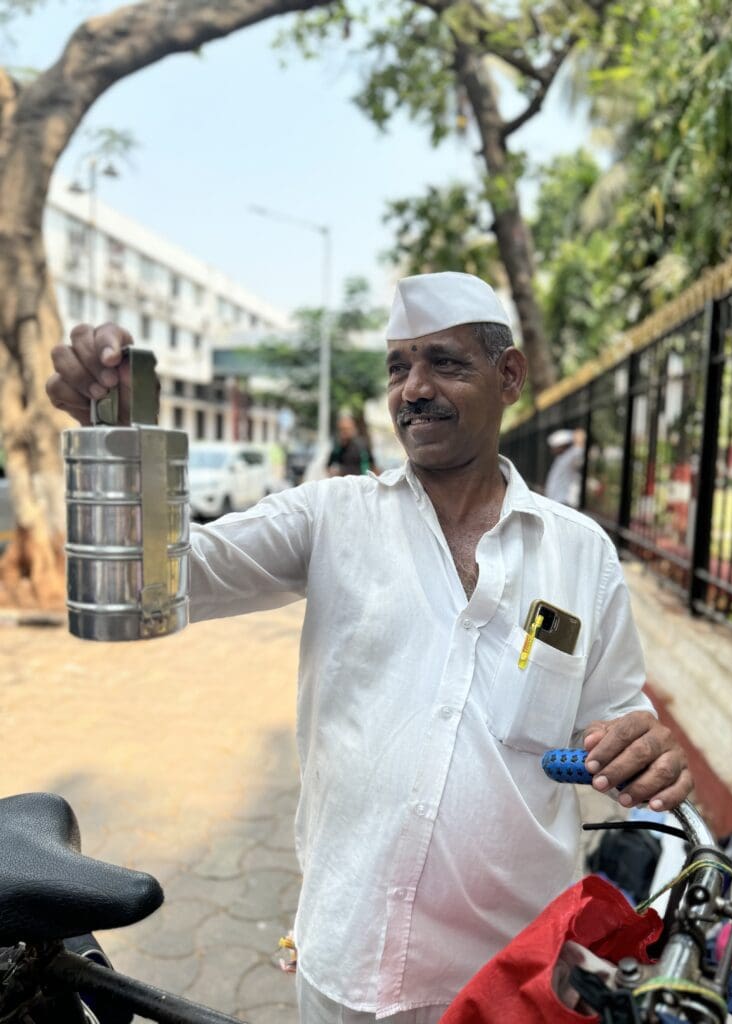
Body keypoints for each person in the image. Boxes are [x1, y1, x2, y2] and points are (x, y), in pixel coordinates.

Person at [46, 271, 692, 1024]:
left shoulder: (580, 554)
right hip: (346, 964)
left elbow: (617, 716)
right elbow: (148, 585)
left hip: (514, 977)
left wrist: (641, 748)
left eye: (444, 362)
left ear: (508, 375)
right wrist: (115, 438)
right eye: (398, 367)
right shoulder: (331, 518)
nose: (412, 388)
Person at [544, 427, 585, 507]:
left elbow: (579, 444)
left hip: (564, 502)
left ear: (562, 445)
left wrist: (574, 435)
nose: (553, 449)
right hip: (556, 501)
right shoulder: (561, 458)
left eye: (555, 446)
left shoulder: (570, 456)